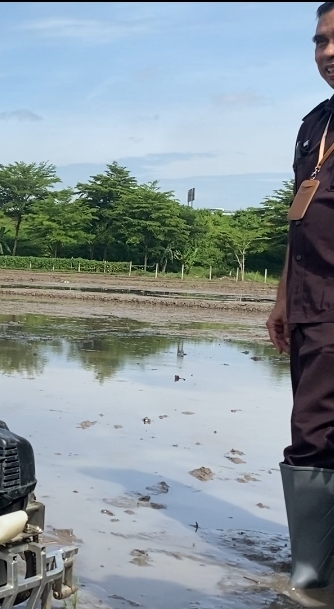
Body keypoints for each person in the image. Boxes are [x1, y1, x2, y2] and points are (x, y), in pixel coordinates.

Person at [268, 1, 334, 592]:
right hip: (313, 307)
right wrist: (285, 297)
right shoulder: (314, 122)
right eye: (320, 41)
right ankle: (314, 571)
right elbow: (299, 219)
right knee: (311, 433)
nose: (329, 52)